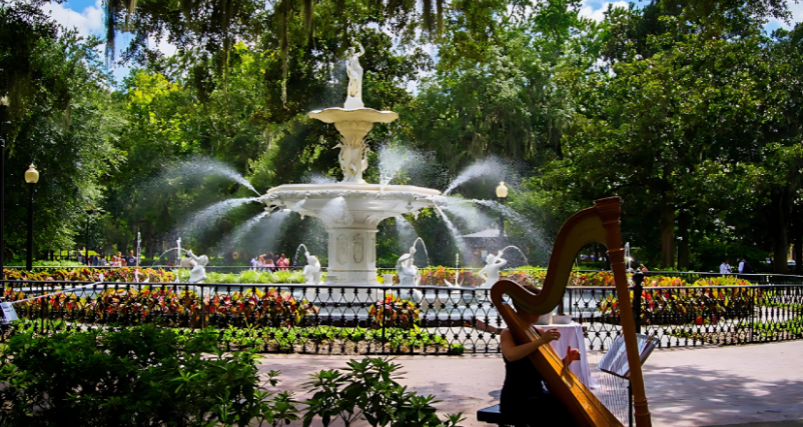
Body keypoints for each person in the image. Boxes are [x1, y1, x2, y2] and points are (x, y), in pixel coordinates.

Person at [499, 284, 580, 426]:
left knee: (571, 410)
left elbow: (553, 367)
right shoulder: (508, 333)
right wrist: (541, 341)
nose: (541, 312)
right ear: (526, 307)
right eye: (538, 307)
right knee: (559, 414)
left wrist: (568, 360)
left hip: (537, 393)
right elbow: (511, 355)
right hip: (516, 398)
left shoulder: (540, 332)